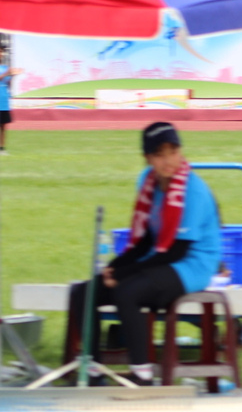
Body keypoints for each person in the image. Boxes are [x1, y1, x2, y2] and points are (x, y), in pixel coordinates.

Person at [65, 122, 222, 386]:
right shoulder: (147, 182)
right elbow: (147, 237)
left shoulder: (193, 191)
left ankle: (143, 375)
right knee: (83, 292)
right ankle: (91, 370)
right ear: (147, 158)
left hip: (191, 264)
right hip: (159, 257)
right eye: (159, 154)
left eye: (173, 152)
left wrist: (126, 273)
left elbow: (175, 251)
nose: (168, 160)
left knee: (128, 291)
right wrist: (115, 266)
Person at [0, 42, 20, 156]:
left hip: (3, 100)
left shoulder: (5, 67)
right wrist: (7, 73)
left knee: (3, 126)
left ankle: (2, 148)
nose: (1, 54)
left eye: (2, 52)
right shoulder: (6, 69)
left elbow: (7, 84)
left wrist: (12, 76)